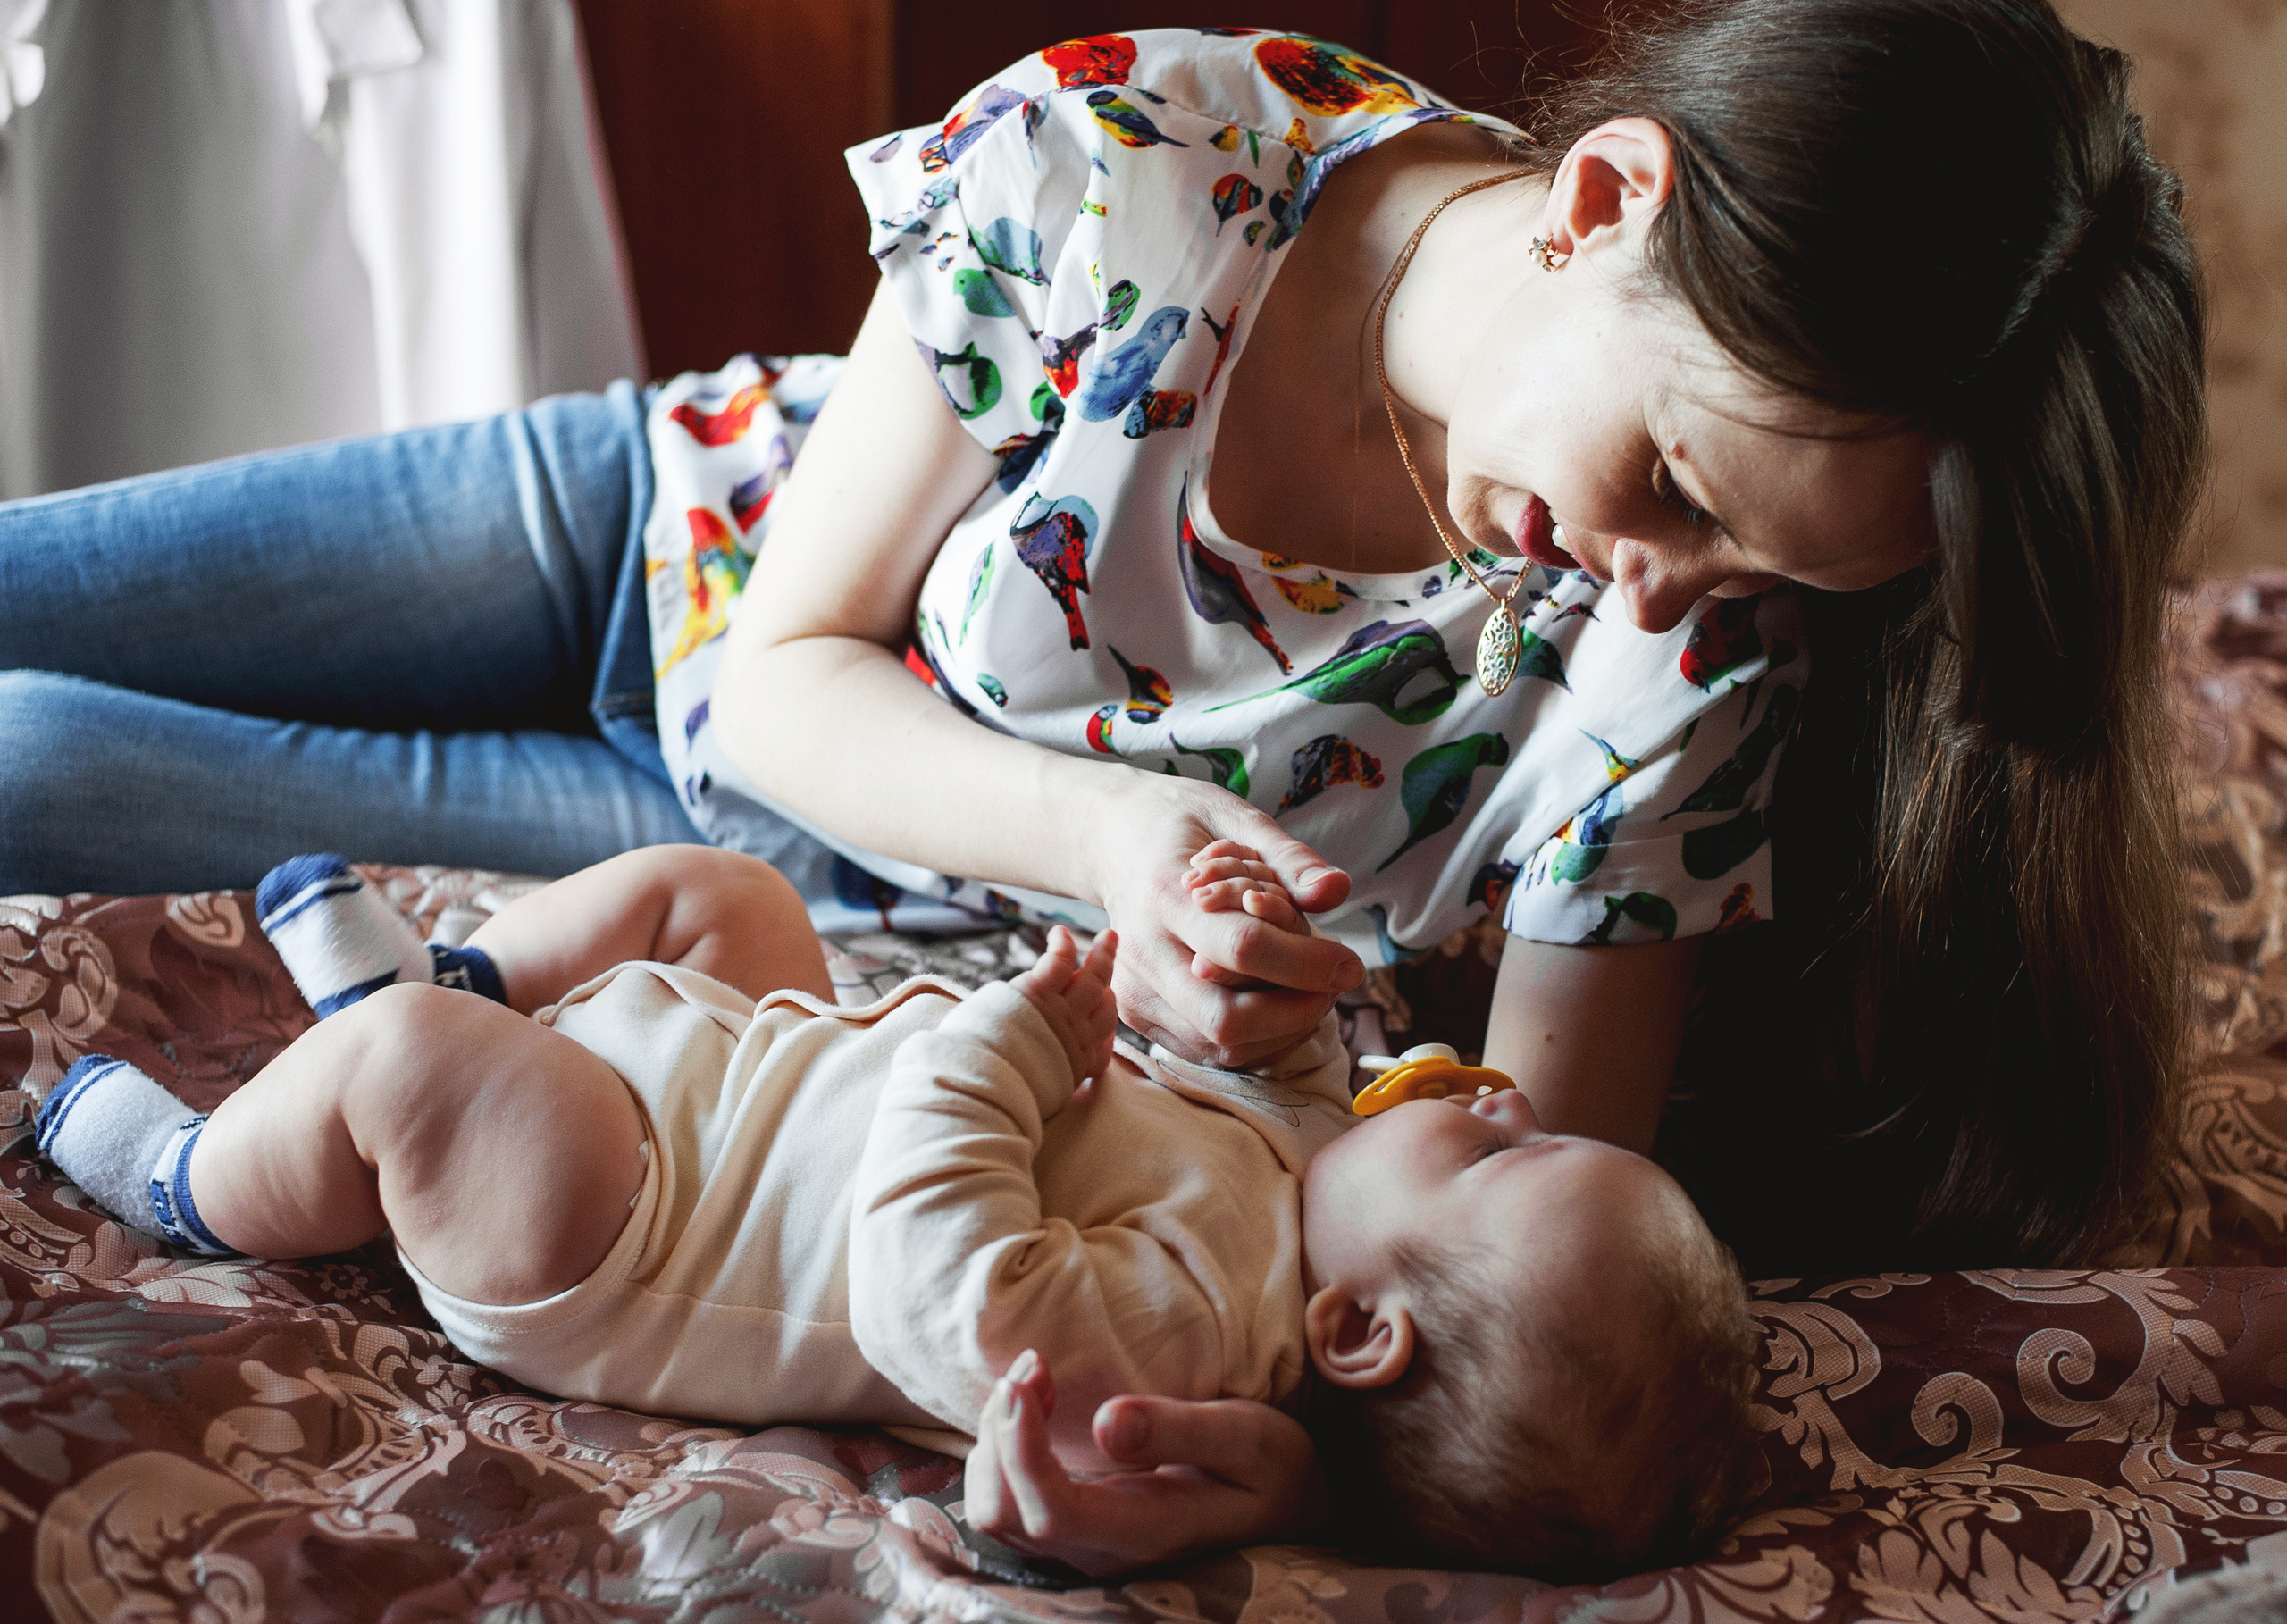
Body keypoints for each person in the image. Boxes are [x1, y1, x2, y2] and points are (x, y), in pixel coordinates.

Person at [0, 3, 2201, 1306]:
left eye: (1754, 583)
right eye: (1682, 483)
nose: (1651, 589)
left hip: (765, 866)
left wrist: (1280, 1066)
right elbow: (786, 673)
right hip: (663, 537)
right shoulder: (1145, 155)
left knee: (24, 770)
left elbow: (1477, 1189)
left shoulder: (1684, 688)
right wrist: (1124, 832)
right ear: (1603, 203)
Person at [31, 844, 1763, 1579]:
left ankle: (209, 1177)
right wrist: (1273, 1010)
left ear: (1357, 1331)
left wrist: (1004, 1054)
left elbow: (937, 1274)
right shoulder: (1300, 1197)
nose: (1505, 1101)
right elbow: (1280, 1102)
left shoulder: (1188, 1337)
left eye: (1501, 1157)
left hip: (618, 1224)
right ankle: (457, 984)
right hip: (742, 1075)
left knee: (423, 1069)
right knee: (719, 897)